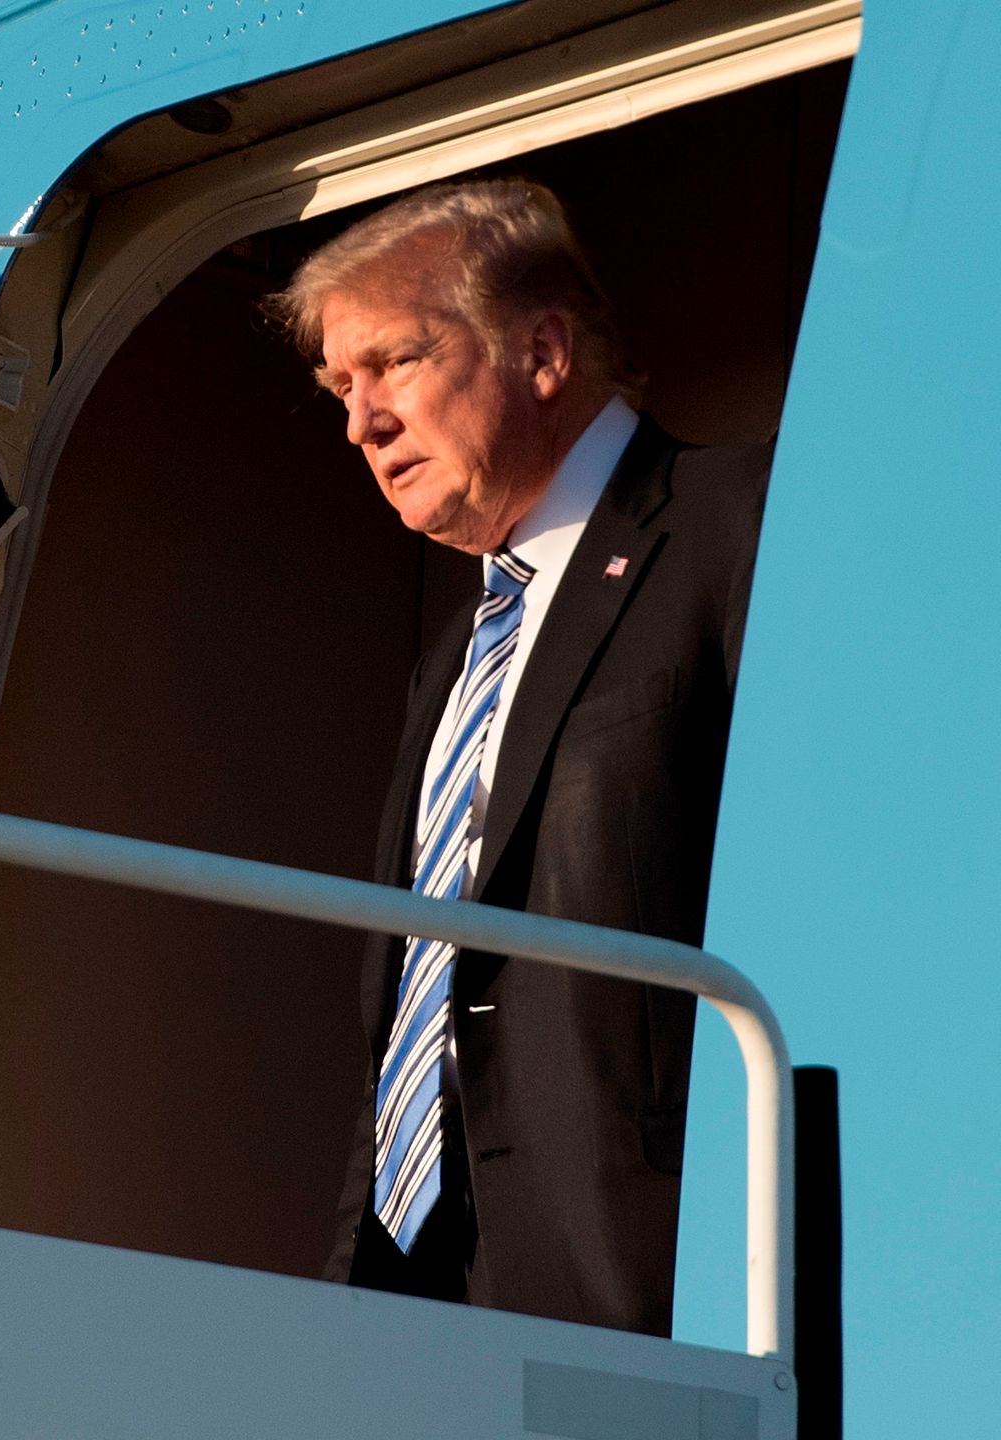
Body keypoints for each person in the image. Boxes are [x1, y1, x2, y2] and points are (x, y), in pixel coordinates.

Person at [269, 178, 770, 1336]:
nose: (358, 420)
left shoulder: (737, 528)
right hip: (427, 1300)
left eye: (389, 362)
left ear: (541, 351)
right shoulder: (450, 659)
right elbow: (413, 1010)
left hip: (653, 1288)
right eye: (338, 387)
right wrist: (352, 1302)